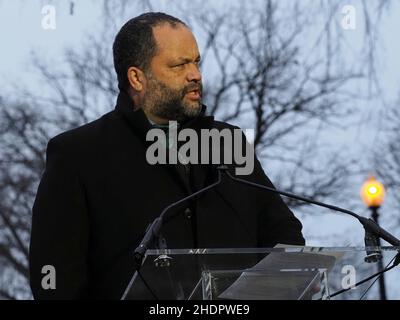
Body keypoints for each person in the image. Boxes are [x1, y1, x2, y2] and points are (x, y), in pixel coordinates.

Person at [29, 12, 305, 300]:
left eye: (197, 61)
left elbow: (283, 233)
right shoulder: (78, 154)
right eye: (179, 64)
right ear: (137, 77)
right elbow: (56, 279)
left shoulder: (228, 143)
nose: (195, 74)